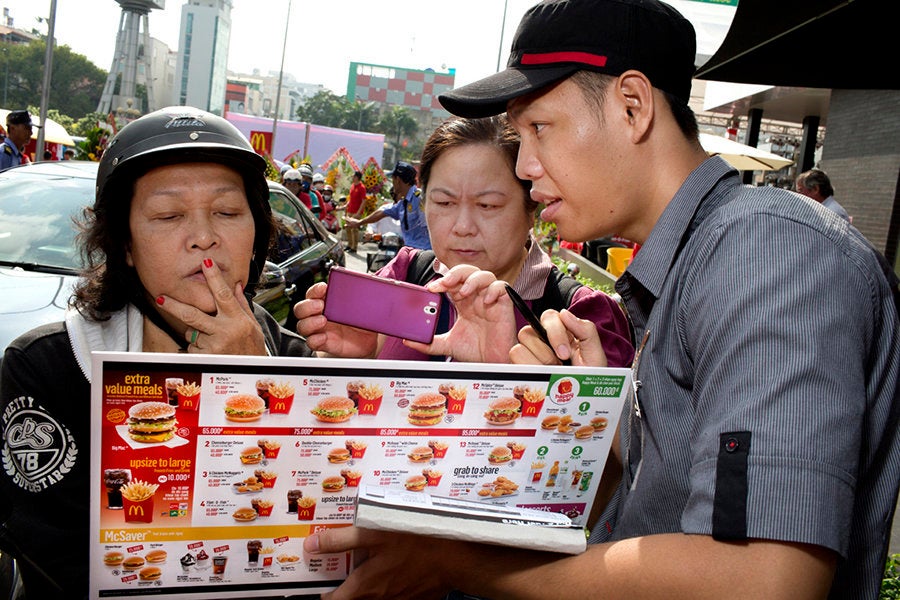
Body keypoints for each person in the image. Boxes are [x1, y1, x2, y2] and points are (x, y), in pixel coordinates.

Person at [301, 0, 900, 598]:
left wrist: (459, 566)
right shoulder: (685, 267)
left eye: (538, 129)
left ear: (633, 106)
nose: (526, 166)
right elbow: (647, 509)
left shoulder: (764, 248)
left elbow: (764, 578)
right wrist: (575, 418)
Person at [0, 106, 312, 598]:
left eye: (228, 213)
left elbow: (306, 546)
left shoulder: (296, 365)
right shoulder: (49, 366)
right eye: (168, 216)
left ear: (256, 239)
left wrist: (253, 391)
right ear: (123, 244)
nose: (204, 237)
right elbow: (54, 557)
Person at [296, 115, 633, 367]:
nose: (462, 227)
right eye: (443, 203)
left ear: (532, 206)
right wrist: (350, 356)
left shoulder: (580, 320)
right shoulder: (406, 276)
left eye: (487, 205)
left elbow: (617, 456)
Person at [347, 161, 432, 250]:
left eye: (393, 179)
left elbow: (429, 227)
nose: (392, 184)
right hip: (409, 251)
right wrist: (359, 222)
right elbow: (383, 212)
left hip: (423, 253)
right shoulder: (403, 203)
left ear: (398, 180)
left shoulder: (420, 199)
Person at [343, 170, 367, 252]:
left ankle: (354, 247)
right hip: (350, 210)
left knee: (354, 229)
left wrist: (358, 213)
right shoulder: (353, 186)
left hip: (356, 212)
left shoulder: (362, 188)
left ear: (357, 177)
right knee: (347, 228)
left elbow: (364, 201)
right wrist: (347, 205)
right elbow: (351, 198)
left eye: (353, 176)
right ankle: (349, 245)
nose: (352, 177)